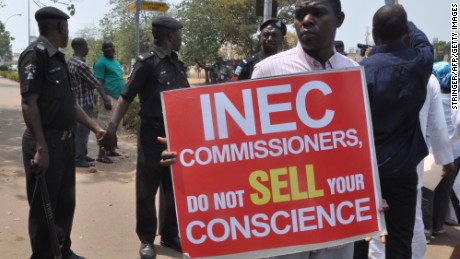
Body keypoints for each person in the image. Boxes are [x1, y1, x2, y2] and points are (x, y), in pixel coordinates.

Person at [18, 6, 105, 259]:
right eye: (66, 28)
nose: (67, 32)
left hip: (65, 143)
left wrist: (96, 128)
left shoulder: (58, 58)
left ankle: (62, 251)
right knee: (44, 209)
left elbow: (71, 103)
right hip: (45, 142)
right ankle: (44, 255)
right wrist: (41, 148)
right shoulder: (35, 56)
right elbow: (28, 103)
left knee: (65, 204)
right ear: (60, 28)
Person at [100, 16, 189, 259]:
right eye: (179, 34)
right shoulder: (146, 63)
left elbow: (188, 99)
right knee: (147, 189)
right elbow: (126, 97)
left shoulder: (177, 64)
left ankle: (170, 235)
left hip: (176, 136)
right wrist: (111, 129)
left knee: (173, 188)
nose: (181, 38)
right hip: (151, 134)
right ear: (170, 36)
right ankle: (147, 239)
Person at [359, 2, 434, 258]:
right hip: (403, 170)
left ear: (374, 33)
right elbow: (424, 43)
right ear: (404, 31)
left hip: (368, 172)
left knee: (362, 235)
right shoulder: (420, 63)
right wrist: (407, 21)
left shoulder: (361, 72)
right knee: (401, 240)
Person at [366, 74, 455, 259]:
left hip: (375, 164)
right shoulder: (426, 78)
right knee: (412, 220)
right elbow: (438, 125)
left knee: (378, 219)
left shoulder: (368, 71)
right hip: (411, 164)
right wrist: (445, 158)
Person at [422, 61, 460, 242]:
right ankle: (438, 226)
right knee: (444, 190)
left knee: (427, 192)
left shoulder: (430, 97)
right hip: (456, 152)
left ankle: (426, 230)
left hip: (433, 152)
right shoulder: (456, 99)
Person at [68, 37, 112, 168]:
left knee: (79, 131)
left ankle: (82, 154)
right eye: (86, 46)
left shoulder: (70, 61)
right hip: (84, 101)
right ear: (82, 48)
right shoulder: (81, 65)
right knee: (83, 131)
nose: (88, 48)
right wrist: (105, 98)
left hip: (76, 100)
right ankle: (78, 159)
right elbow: (96, 82)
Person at [93, 40, 125, 164]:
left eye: (112, 47)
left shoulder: (116, 61)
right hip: (108, 97)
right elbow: (98, 82)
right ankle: (101, 154)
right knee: (105, 125)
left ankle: (110, 149)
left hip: (118, 97)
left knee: (114, 125)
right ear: (103, 50)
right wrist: (105, 99)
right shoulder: (100, 63)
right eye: (107, 47)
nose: (111, 49)